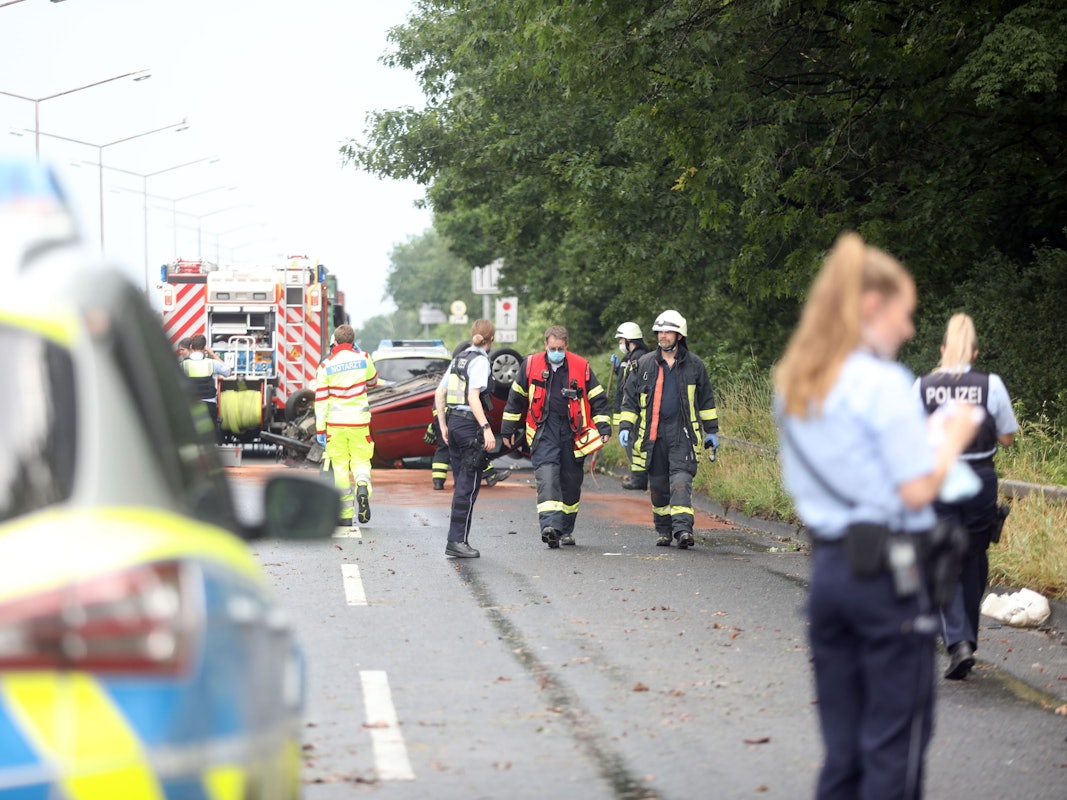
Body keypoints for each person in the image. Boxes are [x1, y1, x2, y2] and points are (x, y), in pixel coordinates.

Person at [774, 232, 981, 800]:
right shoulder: (882, 383)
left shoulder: (796, 380)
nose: (909, 330)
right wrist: (951, 438)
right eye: (904, 313)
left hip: (830, 574)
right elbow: (916, 490)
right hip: (890, 577)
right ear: (870, 306)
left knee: (842, 755)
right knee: (894, 749)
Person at [915, 313, 1018, 680]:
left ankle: (959, 642)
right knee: (972, 557)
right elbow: (1007, 436)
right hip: (979, 480)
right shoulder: (991, 385)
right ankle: (964, 641)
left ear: (943, 349)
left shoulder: (923, 386)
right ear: (974, 353)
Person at [501, 325, 611, 548]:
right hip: (544, 429)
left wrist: (604, 427)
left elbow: (597, 398)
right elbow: (516, 397)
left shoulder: (581, 366)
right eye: (553, 348)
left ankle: (566, 529)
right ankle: (550, 527)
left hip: (573, 432)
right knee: (548, 476)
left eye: (560, 348)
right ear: (545, 345)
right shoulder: (530, 365)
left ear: (566, 345)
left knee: (571, 481)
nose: (556, 352)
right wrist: (508, 428)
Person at [618, 310, 718, 549]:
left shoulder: (694, 365)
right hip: (653, 436)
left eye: (668, 332)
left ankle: (683, 530)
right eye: (660, 331)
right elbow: (629, 399)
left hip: (683, 434)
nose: (662, 336)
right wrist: (626, 426)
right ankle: (664, 530)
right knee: (659, 487)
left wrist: (711, 431)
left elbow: (706, 400)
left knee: (681, 481)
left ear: (679, 335)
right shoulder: (644, 364)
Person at [434, 319, 499, 558]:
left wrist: (443, 425)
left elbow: (440, 393)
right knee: (467, 486)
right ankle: (457, 541)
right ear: (491, 340)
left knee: (462, 483)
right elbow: (473, 397)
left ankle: (459, 539)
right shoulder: (480, 361)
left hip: (454, 424)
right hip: (469, 426)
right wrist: (486, 428)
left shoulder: (459, 358)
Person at [315, 324, 378, 527]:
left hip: (335, 425)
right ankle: (362, 486)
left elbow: (321, 401)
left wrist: (320, 429)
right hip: (360, 423)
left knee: (340, 468)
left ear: (335, 341)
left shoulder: (326, 366)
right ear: (353, 341)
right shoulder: (364, 358)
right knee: (361, 462)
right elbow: (373, 381)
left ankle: (345, 515)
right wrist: (361, 355)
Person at [428, 407, 511, 491]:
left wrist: (435, 424)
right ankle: (490, 475)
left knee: (443, 449)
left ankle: (438, 482)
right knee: (471, 447)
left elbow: (439, 402)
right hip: (457, 416)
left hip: (440, 417)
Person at [610, 321, 650, 490]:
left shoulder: (640, 358)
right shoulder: (629, 357)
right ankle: (639, 478)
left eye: (621, 340)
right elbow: (626, 379)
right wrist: (618, 368)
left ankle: (641, 478)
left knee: (635, 444)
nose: (620, 343)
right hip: (627, 409)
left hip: (635, 410)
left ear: (628, 340)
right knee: (631, 445)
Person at [181, 333, 232, 437]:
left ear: (191, 346)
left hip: (191, 405)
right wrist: (212, 354)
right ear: (204, 348)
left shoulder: (184, 364)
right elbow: (228, 372)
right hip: (209, 405)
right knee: (208, 437)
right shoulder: (211, 363)